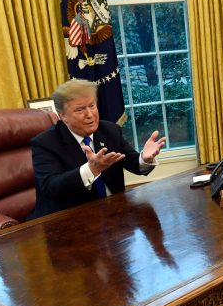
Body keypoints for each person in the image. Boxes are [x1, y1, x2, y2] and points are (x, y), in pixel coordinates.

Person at [29, 79, 167, 219]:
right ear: (63, 115)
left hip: (115, 216)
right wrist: (90, 170)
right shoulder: (45, 143)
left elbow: (132, 162)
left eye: (92, 106)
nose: (90, 114)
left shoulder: (109, 130)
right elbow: (51, 188)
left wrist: (144, 158)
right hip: (68, 221)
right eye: (80, 109)